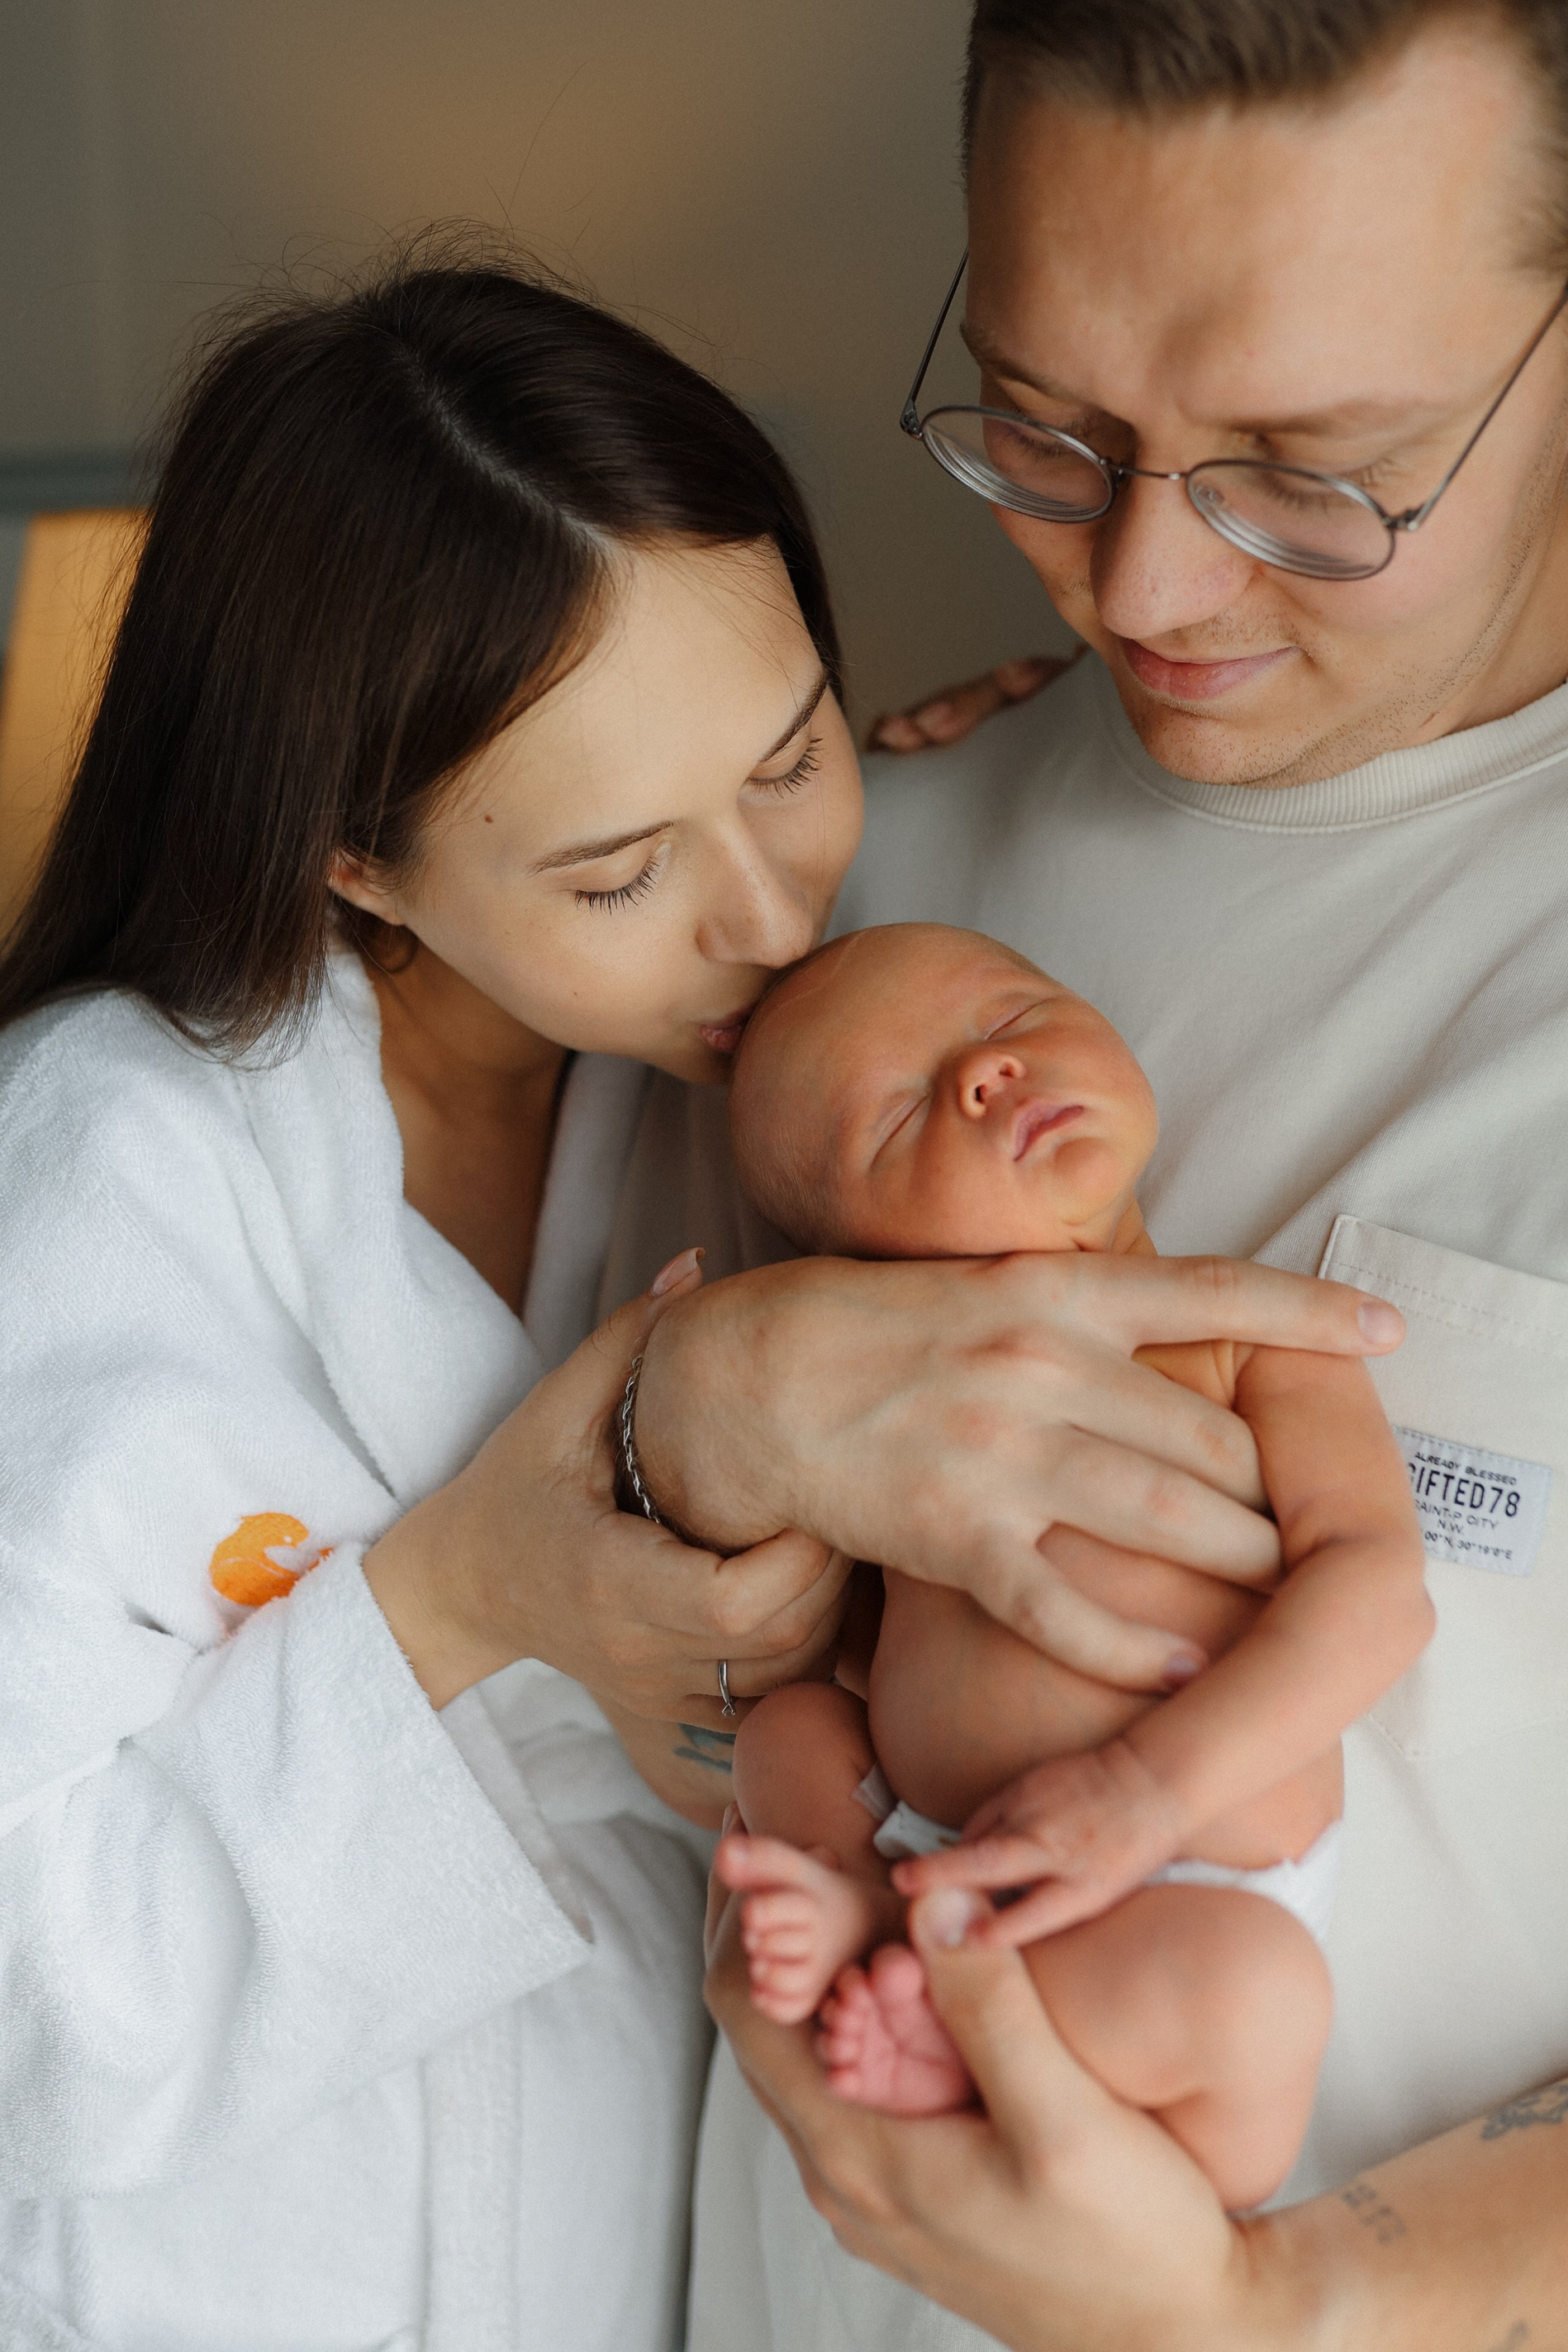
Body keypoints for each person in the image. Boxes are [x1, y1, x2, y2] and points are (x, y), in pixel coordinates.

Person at [0, 247, 1378, 2352]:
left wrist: (1008, 780)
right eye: (617, 871)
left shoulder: (779, 1079)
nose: (766, 913)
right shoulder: (105, 1181)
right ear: (355, 857)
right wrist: (462, 1602)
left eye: (791, 756)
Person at [675, 2, 1568, 2345]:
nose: (1143, 591)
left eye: (1316, 468)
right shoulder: (831, 889)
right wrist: (693, 1423)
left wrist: (1279, 2313)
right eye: (1048, 427)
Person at [710, 921, 1428, 2211]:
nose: (983, 1075)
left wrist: (1143, 1789)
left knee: (1260, 1997)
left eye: (1009, 1017)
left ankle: (954, 2005)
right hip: (932, 1848)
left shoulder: (1246, 1338)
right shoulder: (884, 1416)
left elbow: (1376, 1593)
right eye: (897, 1121)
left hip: (1191, 1875)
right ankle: (874, 1917)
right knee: (788, 1732)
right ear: (848, 1271)